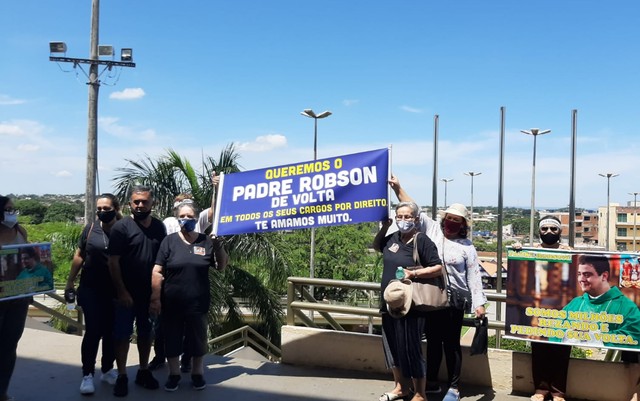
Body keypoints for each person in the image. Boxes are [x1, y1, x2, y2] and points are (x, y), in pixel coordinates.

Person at [389, 176, 486, 401]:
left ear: (463, 224)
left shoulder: (467, 246)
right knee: (432, 342)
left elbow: (473, 276)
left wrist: (479, 304)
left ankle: (454, 387)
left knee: (451, 344)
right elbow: (415, 210)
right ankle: (431, 382)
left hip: (455, 301)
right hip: (433, 298)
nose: (451, 222)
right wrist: (398, 188)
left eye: (457, 220)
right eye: (449, 218)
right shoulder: (433, 232)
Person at [150, 201, 228, 392]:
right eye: (182, 216)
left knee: (197, 339)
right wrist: (156, 297)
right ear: (177, 218)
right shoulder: (169, 242)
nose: (186, 219)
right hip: (172, 302)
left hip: (198, 302)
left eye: (190, 216)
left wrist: (218, 247)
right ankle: (174, 374)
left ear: (196, 218)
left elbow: (221, 266)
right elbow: (157, 270)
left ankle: (197, 373)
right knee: (172, 339)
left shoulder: (205, 240)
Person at [373, 201, 443, 401]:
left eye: (408, 216)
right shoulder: (393, 238)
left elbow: (437, 268)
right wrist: (385, 226)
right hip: (389, 301)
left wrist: (414, 273)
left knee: (411, 348)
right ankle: (400, 387)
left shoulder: (422, 241)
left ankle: (420, 393)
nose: (404, 220)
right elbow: (378, 246)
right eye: (400, 217)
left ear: (416, 219)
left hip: (411, 305)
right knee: (392, 347)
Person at [108, 185, 166, 397]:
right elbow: (113, 262)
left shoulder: (159, 228)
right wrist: (122, 291)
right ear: (130, 204)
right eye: (136, 202)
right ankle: (122, 375)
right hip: (125, 295)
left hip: (149, 295)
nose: (140, 205)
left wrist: (156, 294)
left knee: (146, 335)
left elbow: (161, 262)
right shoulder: (121, 228)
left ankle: (143, 371)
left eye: (144, 201)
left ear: (153, 203)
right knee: (122, 335)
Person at [65, 194, 122, 395]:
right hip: (90, 289)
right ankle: (87, 374)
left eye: (106, 208)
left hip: (116, 290)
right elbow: (79, 255)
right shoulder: (90, 229)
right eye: (99, 209)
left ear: (116, 208)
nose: (102, 212)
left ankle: (107, 369)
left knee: (111, 332)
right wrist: (71, 280)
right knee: (93, 331)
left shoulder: (124, 229)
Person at [148, 194, 195, 372]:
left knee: (189, 327)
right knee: (160, 326)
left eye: (188, 210)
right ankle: (160, 356)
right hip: (167, 282)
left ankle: (187, 359)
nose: (185, 218)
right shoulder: (167, 223)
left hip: (189, 285)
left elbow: (213, 212)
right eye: (180, 208)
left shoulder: (198, 226)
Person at [559, 253, 640, 348]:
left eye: (587, 274)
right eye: (579, 274)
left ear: (604, 276)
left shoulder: (627, 307)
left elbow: (635, 336)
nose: (581, 279)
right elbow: (555, 330)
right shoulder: (575, 303)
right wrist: (569, 334)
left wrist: (594, 337)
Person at [0, 196, 29, 401]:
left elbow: (28, 260)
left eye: (13, 209)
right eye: (8, 209)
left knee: (9, 345)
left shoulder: (20, 231)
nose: (12, 213)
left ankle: (2, 391)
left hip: (18, 300)